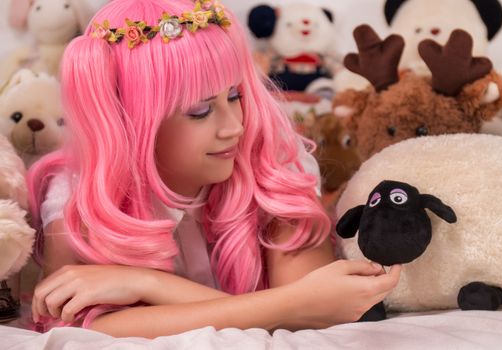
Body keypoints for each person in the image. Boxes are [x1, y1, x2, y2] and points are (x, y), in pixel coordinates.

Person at [27, 0, 401, 338]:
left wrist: (146, 284)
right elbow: (77, 328)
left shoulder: (273, 165)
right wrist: (290, 303)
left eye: (235, 95)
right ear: (127, 121)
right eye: (200, 111)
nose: (234, 126)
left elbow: (315, 308)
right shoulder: (78, 196)